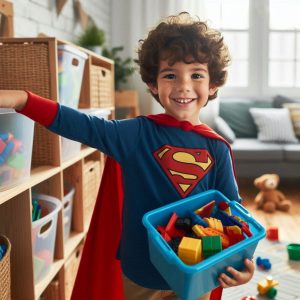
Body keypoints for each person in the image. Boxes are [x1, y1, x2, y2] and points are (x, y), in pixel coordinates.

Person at [0, 12, 254, 300]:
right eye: (170, 75)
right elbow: (79, 124)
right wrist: (23, 100)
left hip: (196, 274)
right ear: (153, 84)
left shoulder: (216, 147)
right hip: (141, 272)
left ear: (212, 85)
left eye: (196, 74)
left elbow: (231, 213)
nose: (184, 85)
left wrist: (242, 262)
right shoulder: (136, 134)